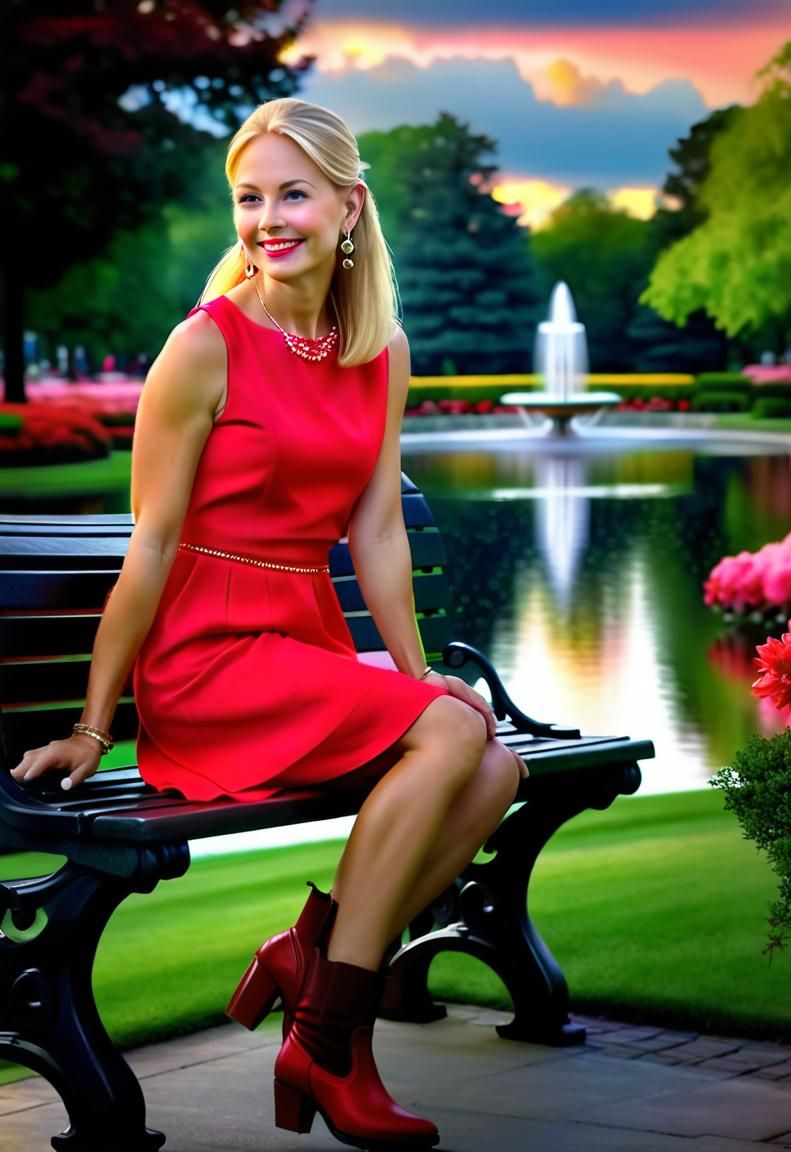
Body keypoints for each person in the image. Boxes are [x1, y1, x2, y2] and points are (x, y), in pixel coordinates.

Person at [11, 97, 526, 1149]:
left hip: (300, 648)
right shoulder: (205, 345)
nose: (268, 219)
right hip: (208, 662)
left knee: (492, 767)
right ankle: (331, 1045)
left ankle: (311, 965)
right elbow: (148, 546)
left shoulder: (377, 349)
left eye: (293, 194)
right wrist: (94, 726)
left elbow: (378, 527)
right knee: (456, 737)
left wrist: (420, 673)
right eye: (250, 198)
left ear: (349, 206)